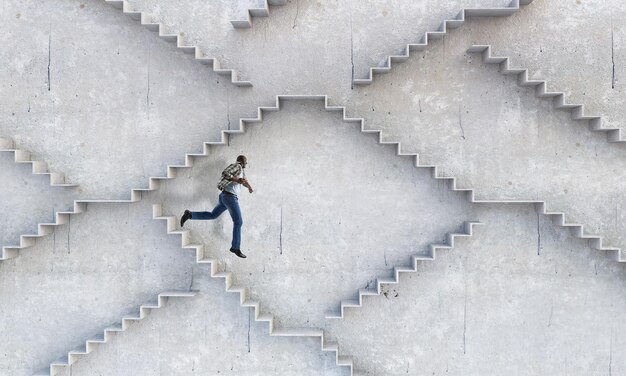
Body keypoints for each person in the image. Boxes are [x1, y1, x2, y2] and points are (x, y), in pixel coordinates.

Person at [180, 155, 253, 258]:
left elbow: (244, 181)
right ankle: (235, 247)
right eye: (246, 161)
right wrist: (236, 180)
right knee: (238, 222)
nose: (246, 163)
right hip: (230, 197)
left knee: (213, 215)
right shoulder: (237, 166)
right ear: (242, 161)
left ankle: (190, 215)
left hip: (225, 196)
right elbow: (225, 173)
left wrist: (249, 187)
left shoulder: (242, 171)